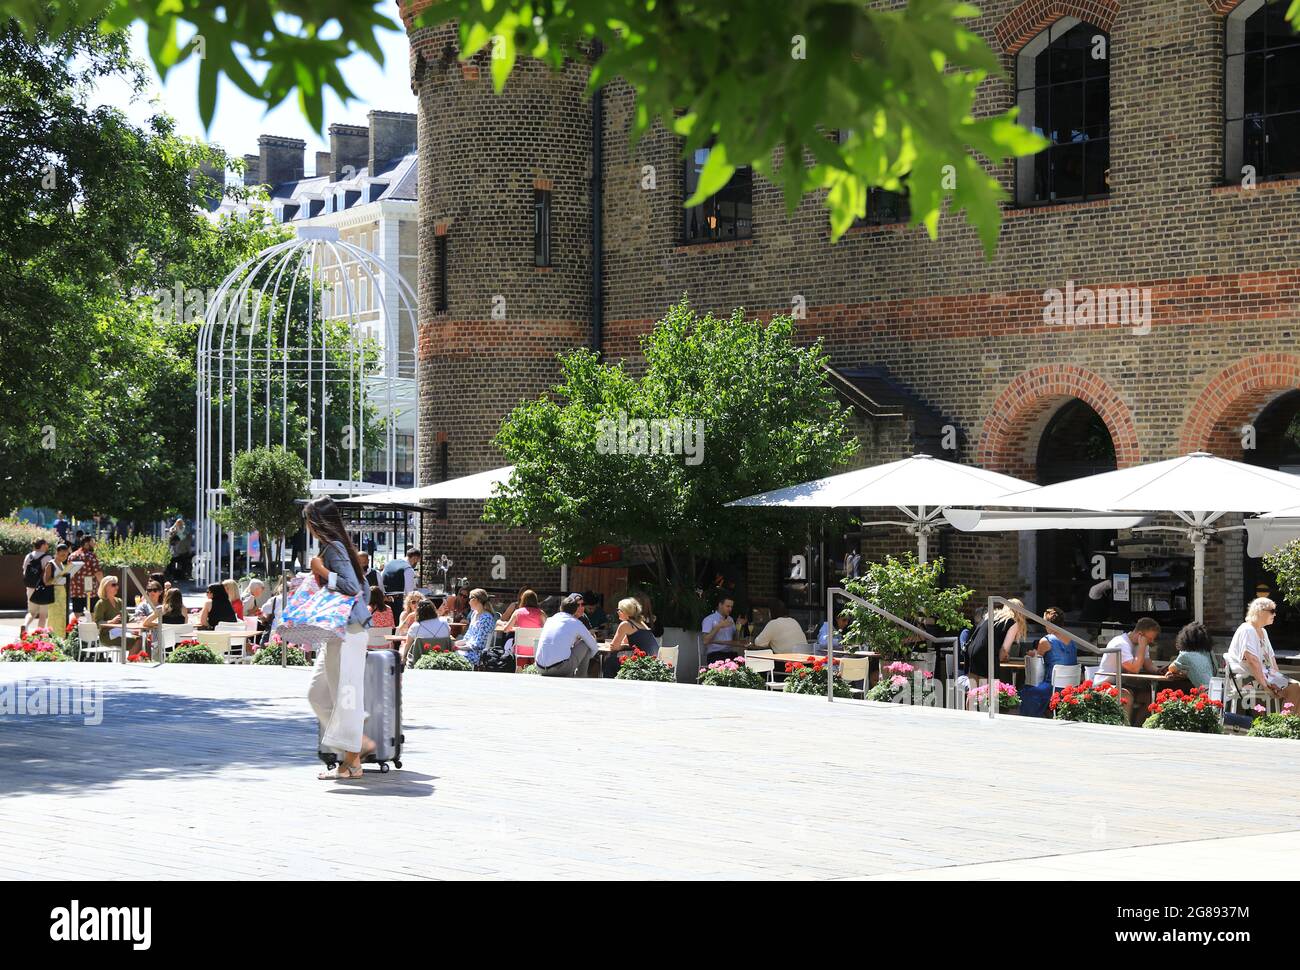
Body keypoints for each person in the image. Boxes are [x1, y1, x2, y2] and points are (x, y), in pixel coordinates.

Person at [302, 496, 374, 781]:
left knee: (346, 694)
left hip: (348, 632)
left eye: (308, 520)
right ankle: (358, 743)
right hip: (342, 631)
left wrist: (321, 572)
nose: (306, 526)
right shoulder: (337, 547)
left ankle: (352, 761)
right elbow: (365, 589)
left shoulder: (333, 548)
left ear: (316, 522)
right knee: (318, 694)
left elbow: (352, 586)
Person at [1226, 597, 1300, 710]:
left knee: (1295, 688)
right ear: (1260, 612)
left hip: (1263, 676)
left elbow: (1271, 658)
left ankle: (1287, 723)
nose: (1275, 614)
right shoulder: (1247, 629)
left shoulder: (1262, 631)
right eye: (1272, 611)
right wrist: (1265, 685)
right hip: (1246, 678)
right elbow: (1252, 660)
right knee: (1295, 688)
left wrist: (1277, 678)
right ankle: (1286, 724)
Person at [1017, 607, 1080, 717]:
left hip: (1052, 686)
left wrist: (1032, 653)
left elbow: (1037, 659)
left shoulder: (1046, 640)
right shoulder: (1072, 639)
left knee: (1027, 690)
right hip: (1071, 686)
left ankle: (1029, 720)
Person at [965, 598, 1028, 692]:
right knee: (987, 692)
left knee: (973, 692)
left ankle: (967, 707)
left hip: (972, 651)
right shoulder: (1012, 622)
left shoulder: (990, 616)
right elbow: (1005, 649)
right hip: (987, 654)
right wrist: (1002, 657)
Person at [535, 593, 600, 677]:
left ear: (560, 608)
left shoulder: (549, 620)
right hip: (560, 668)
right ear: (575, 609)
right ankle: (581, 677)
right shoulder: (576, 623)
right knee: (585, 644)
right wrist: (586, 656)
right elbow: (593, 646)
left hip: (540, 667)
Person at [602, 596, 660, 676]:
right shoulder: (640, 623)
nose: (617, 612)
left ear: (624, 612)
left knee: (610, 661)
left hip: (641, 665)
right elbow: (626, 643)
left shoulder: (625, 624)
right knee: (614, 659)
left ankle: (609, 687)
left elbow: (614, 647)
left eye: (618, 610)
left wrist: (621, 646)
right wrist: (622, 646)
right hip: (651, 663)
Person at [1166, 621, 1216, 690]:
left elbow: (1171, 668)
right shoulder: (1209, 652)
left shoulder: (1185, 655)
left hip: (1205, 692)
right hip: (1218, 688)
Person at [402, 600, 451, 666]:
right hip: (443, 660)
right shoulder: (445, 623)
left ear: (418, 612)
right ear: (434, 610)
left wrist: (403, 659)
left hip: (419, 661)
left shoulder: (415, 626)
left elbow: (407, 645)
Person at [454, 588, 495, 665]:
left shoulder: (486, 618)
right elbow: (467, 638)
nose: (468, 602)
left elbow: (479, 645)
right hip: (468, 650)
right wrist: (453, 644)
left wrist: (458, 648)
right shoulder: (474, 614)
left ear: (475, 600)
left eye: (469, 599)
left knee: (451, 656)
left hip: (477, 654)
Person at [92, 576, 134, 650]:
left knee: (142, 640)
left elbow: (127, 618)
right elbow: (97, 623)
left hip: (122, 632)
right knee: (137, 642)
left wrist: (137, 619)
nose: (116, 587)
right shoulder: (101, 603)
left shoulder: (119, 601)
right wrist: (111, 621)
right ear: (105, 587)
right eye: (113, 585)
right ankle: (132, 660)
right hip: (107, 636)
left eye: (117, 585)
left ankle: (133, 660)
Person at [21, 538, 53, 634]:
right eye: (46, 544)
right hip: (43, 589)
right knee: (43, 614)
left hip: (30, 587)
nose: (48, 546)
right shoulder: (47, 558)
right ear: (42, 545)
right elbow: (49, 575)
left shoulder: (28, 556)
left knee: (32, 612)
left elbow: (24, 571)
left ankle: (25, 625)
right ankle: (39, 635)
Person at [68, 535, 102, 617]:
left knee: (77, 618)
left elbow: (69, 573)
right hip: (90, 592)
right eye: (93, 542)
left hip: (76, 591)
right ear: (87, 543)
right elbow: (98, 573)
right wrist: (103, 585)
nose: (94, 544)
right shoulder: (91, 556)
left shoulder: (72, 556)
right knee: (93, 616)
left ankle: (77, 630)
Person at [702, 593, 743, 662]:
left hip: (730, 654)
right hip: (715, 654)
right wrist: (718, 627)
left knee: (744, 664)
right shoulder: (709, 619)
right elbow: (705, 641)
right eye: (727, 606)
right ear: (720, 605)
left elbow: (736, 640)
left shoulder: (730, 619)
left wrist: (738, 627)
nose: (730, 609)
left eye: (731, 607)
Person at [46, 541, 73, 633]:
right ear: (56, 553)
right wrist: (60, 577)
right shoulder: (50, 564)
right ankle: (53, 637)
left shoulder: (62, 565)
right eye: (62, 555)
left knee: (62, 617)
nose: (64, 557)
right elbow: (46, 582)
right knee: (54, 617)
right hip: (53, 594)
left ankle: (61, 637)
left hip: (62, 594)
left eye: (65, 555)